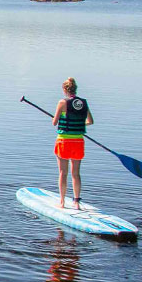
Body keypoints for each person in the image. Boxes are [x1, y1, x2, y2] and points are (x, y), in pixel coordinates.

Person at [53, 78, 95, 209]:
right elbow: (90, 121)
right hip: (78, 141)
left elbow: (54, 122)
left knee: (62, 173)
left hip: (64, 141)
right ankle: (76, 202)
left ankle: (62, 202)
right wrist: (78, 124)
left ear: (65, 90)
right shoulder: (83, 103)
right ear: (75, 89)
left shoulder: (62, 102)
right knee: (76, 173)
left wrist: (61, 119)